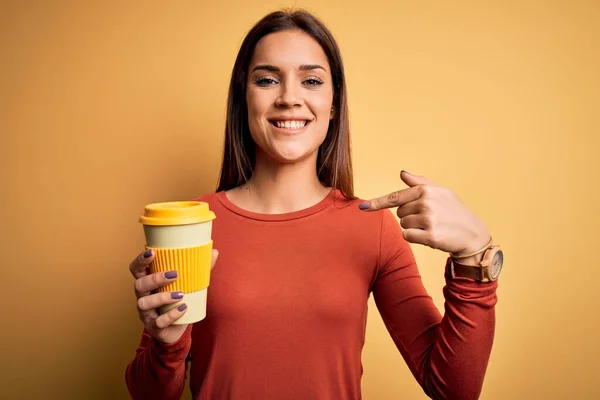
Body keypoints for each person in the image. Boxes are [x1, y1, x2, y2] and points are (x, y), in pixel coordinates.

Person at [125, 8, 501, 400]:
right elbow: (148, 394)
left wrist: (474, 258)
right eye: (268, 80)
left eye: (311, 80)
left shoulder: (371, 228)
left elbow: (455, 389)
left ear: (334, 104)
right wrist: (166, 344)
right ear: (244, 99)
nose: (289, 98)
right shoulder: (193, 223)